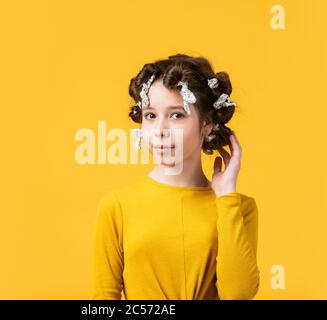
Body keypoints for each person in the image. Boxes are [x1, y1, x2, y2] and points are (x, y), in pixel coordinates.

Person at [92, 54, 260, 300]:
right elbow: (103, 301)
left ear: (207, 124)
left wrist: (226, 198)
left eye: (177, 115)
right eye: (150, 115)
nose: (160, 131)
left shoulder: (238, 207)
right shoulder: (117, 206)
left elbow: (237, 294)